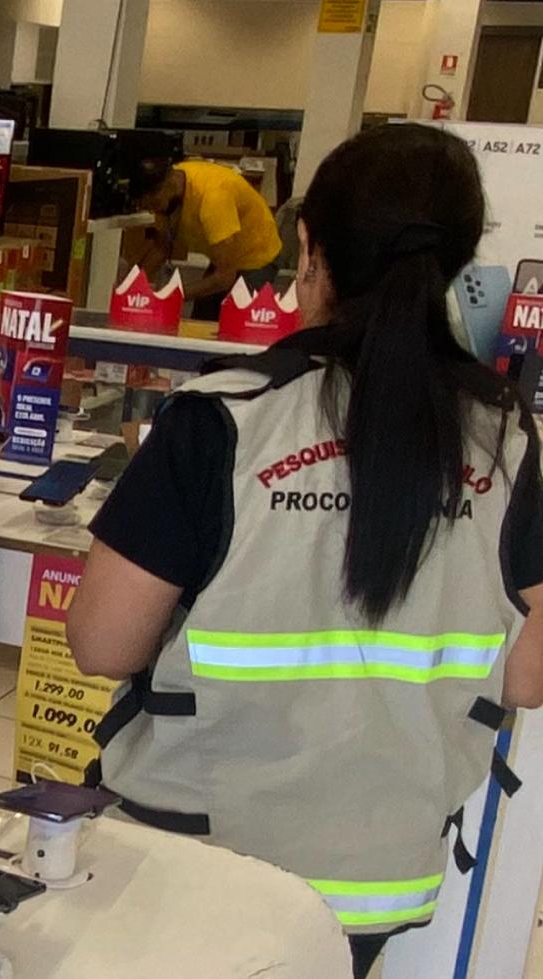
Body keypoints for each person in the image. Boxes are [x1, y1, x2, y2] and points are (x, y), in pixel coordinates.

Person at [67, 123, 543, 977]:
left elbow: (103, 642)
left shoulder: (223, 420)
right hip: (375, 877)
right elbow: (529, 673)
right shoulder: (505, 437)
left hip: (198, 857)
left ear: (308, 248)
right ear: (460, 263)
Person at [133, 157, 283, 320]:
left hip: (257, 254)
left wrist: (172, 295)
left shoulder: (214, 198)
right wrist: (134, 289)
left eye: (153, 205)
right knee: (202, 317)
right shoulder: (172, 185)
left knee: (235, 320)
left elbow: (224, 277)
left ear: (167, 186)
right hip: (224, 252)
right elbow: (161, 247)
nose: (152, 212)